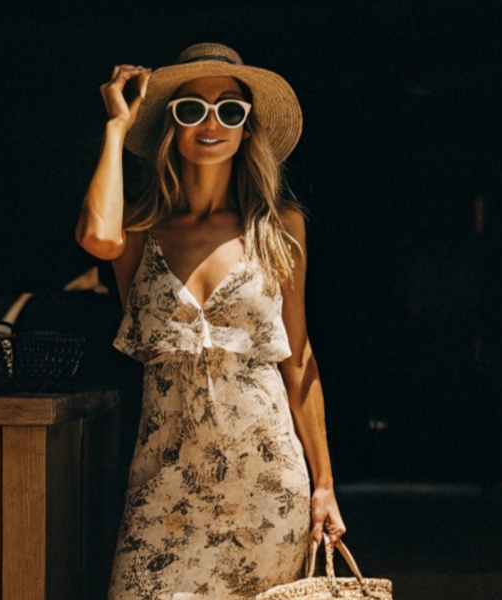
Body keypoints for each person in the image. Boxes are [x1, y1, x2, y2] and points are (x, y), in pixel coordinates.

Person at [75, 43, 345, 598]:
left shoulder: (280, 225)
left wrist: (324, 484)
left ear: (248, 129)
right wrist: (117, 127)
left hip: (266, 485)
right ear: (172, 124)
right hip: (163, 483)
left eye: (230, 110)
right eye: (191, 109)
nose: (211, 122)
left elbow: (299, 360)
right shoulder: (139, 230)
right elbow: (96, 236)